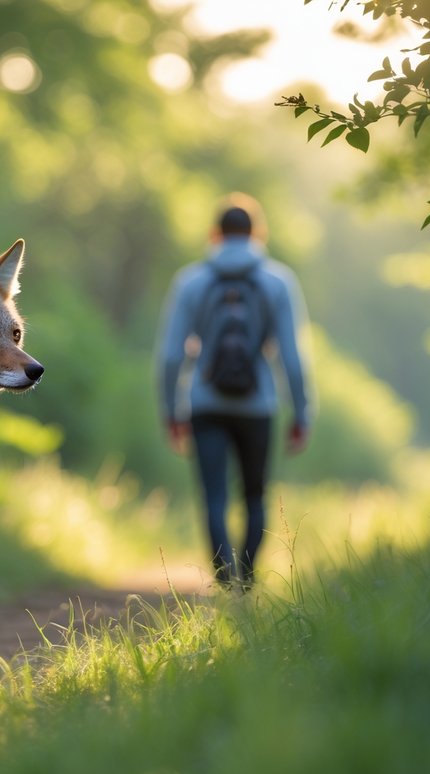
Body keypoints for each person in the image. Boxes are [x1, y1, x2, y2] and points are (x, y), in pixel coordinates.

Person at [157, 193, 313, 589]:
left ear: (215, 234)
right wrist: (301, 413)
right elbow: (292, 358)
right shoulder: (278, 280)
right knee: (255, 495)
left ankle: (224, 579)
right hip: (258, 405)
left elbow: (172, 355)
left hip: (205, 403)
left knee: (214, 496)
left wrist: (170, 411)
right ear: (258, 233)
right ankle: (247, 580)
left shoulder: (190, 280)